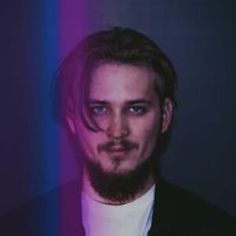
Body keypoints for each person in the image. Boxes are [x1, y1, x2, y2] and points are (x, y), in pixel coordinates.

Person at [0, 27, 234, 236]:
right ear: (72, 117)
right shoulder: (18, 228)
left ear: (165, 116)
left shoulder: (217, 229)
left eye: (136, 108)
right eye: (99, 109)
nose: (117, 131)